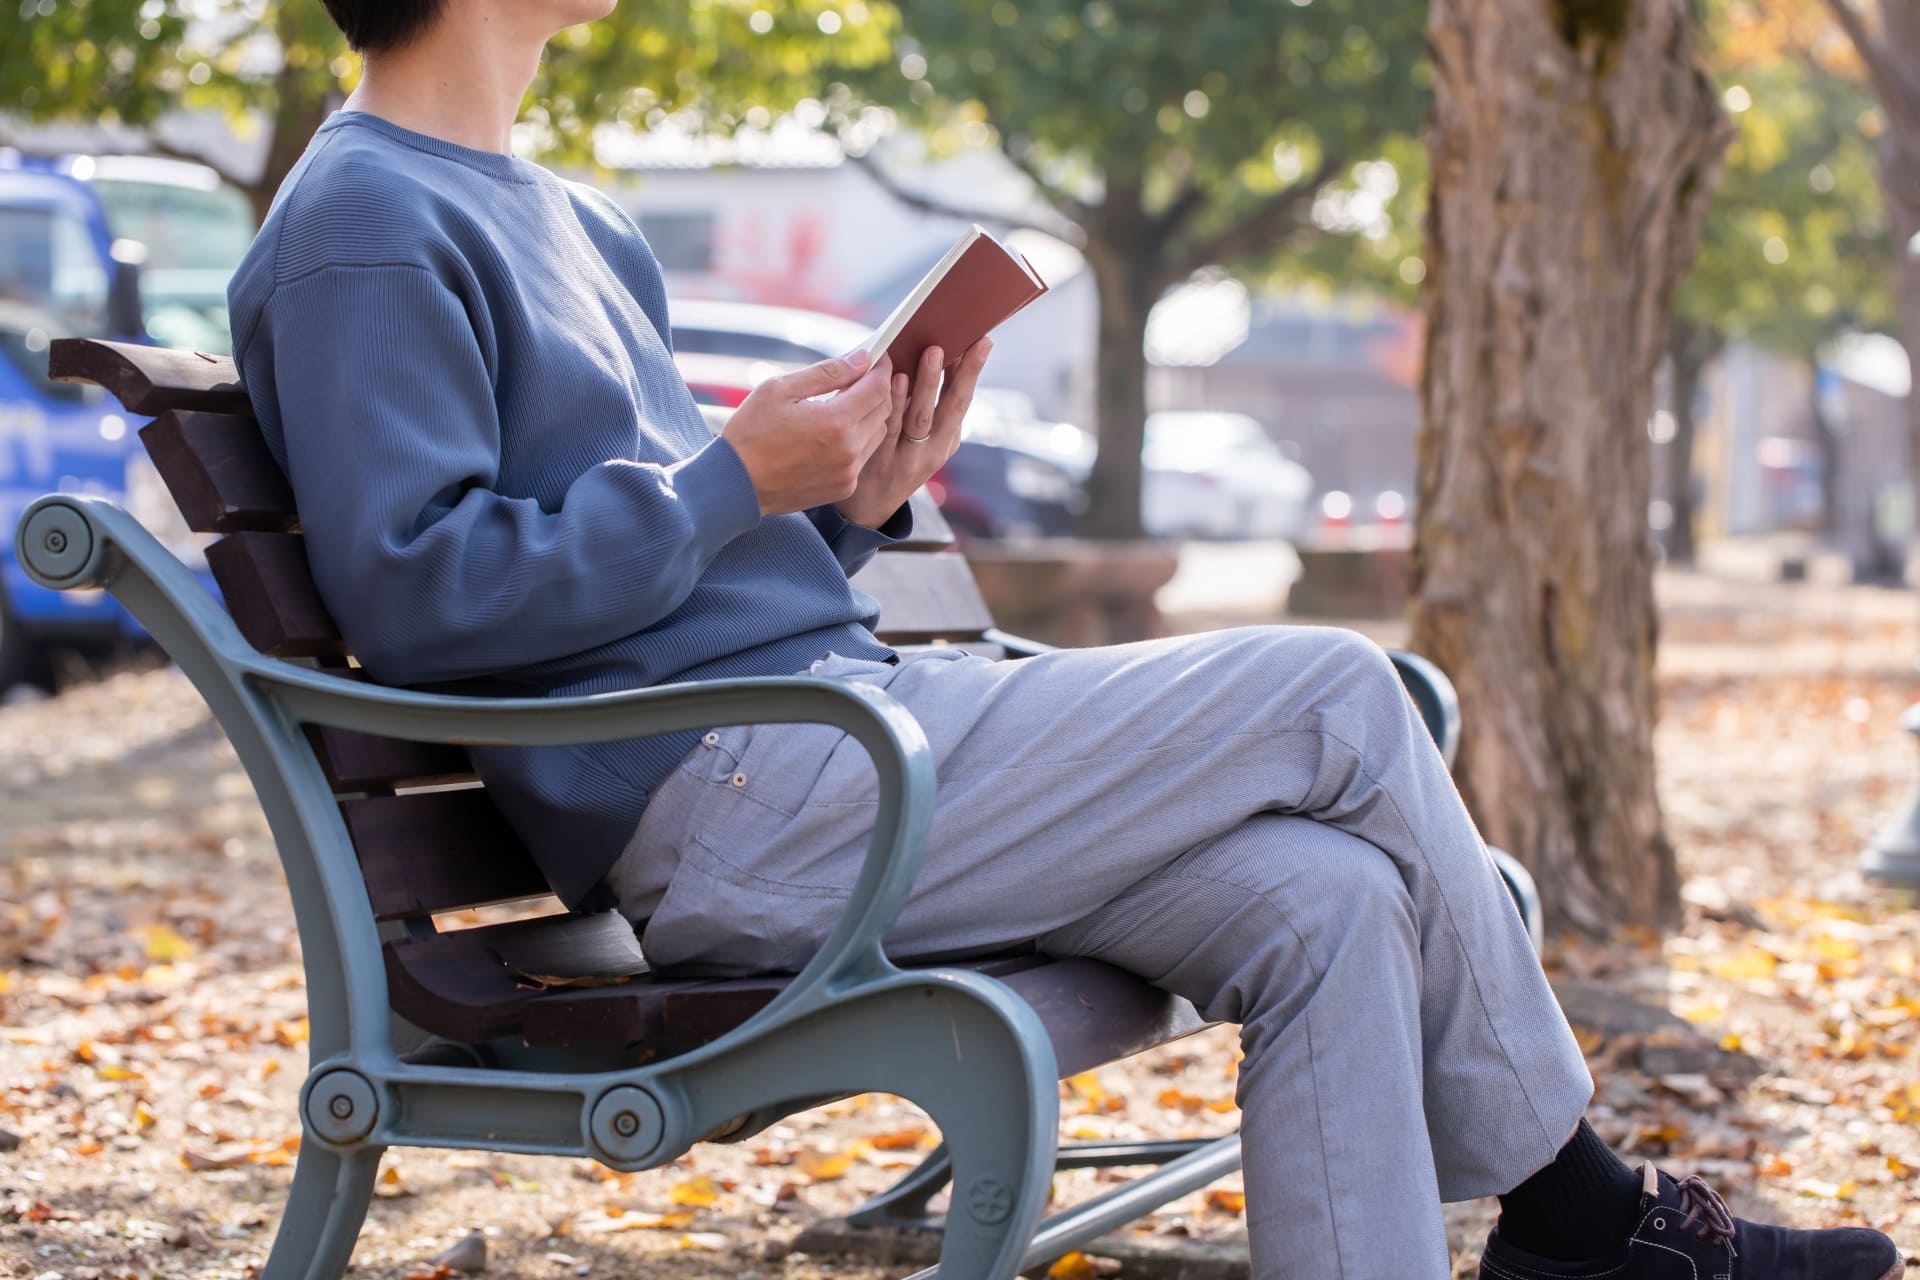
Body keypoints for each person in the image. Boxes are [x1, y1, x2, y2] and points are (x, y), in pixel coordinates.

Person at [222, 2, 1904, 1277]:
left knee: (1326, 900)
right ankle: (1584, 1217)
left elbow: (672, 554)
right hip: (743, 801)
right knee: (1340, 689)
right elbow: (422, 595)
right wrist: (734, 475)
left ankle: (1555, 1226)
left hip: (837, 737)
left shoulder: (570, 215)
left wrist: (847, 498)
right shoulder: (365, 223)